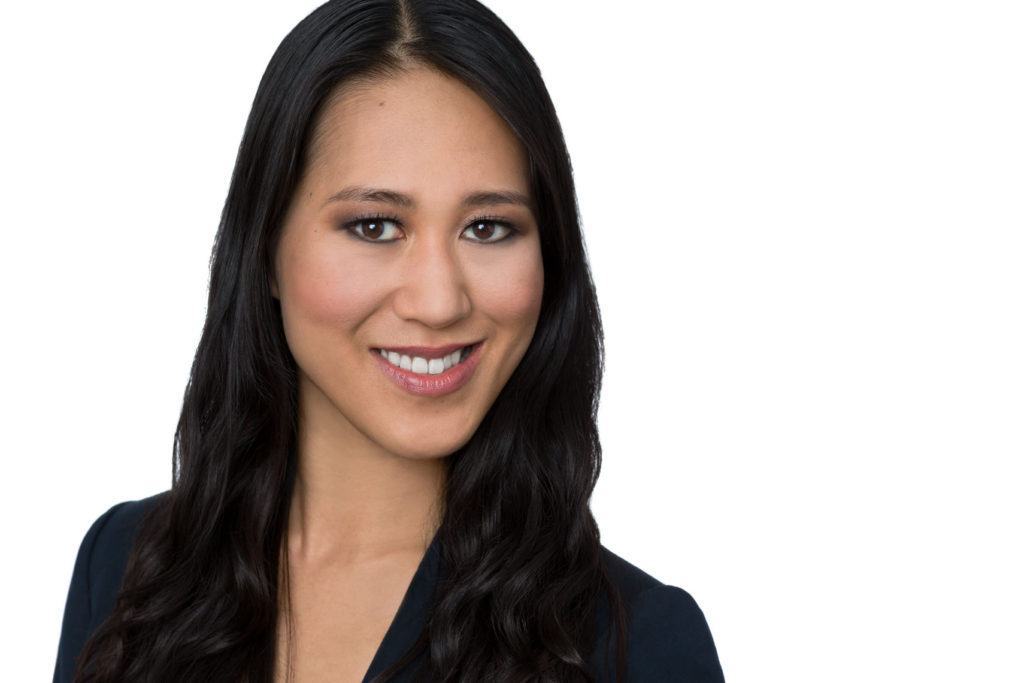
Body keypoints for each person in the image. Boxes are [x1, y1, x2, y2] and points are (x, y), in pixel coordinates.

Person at [53, 1, 724, 681]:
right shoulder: (128, 567)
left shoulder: (638, 643)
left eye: (488, 228)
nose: (438, 302)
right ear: (266, 250)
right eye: (375, 226)